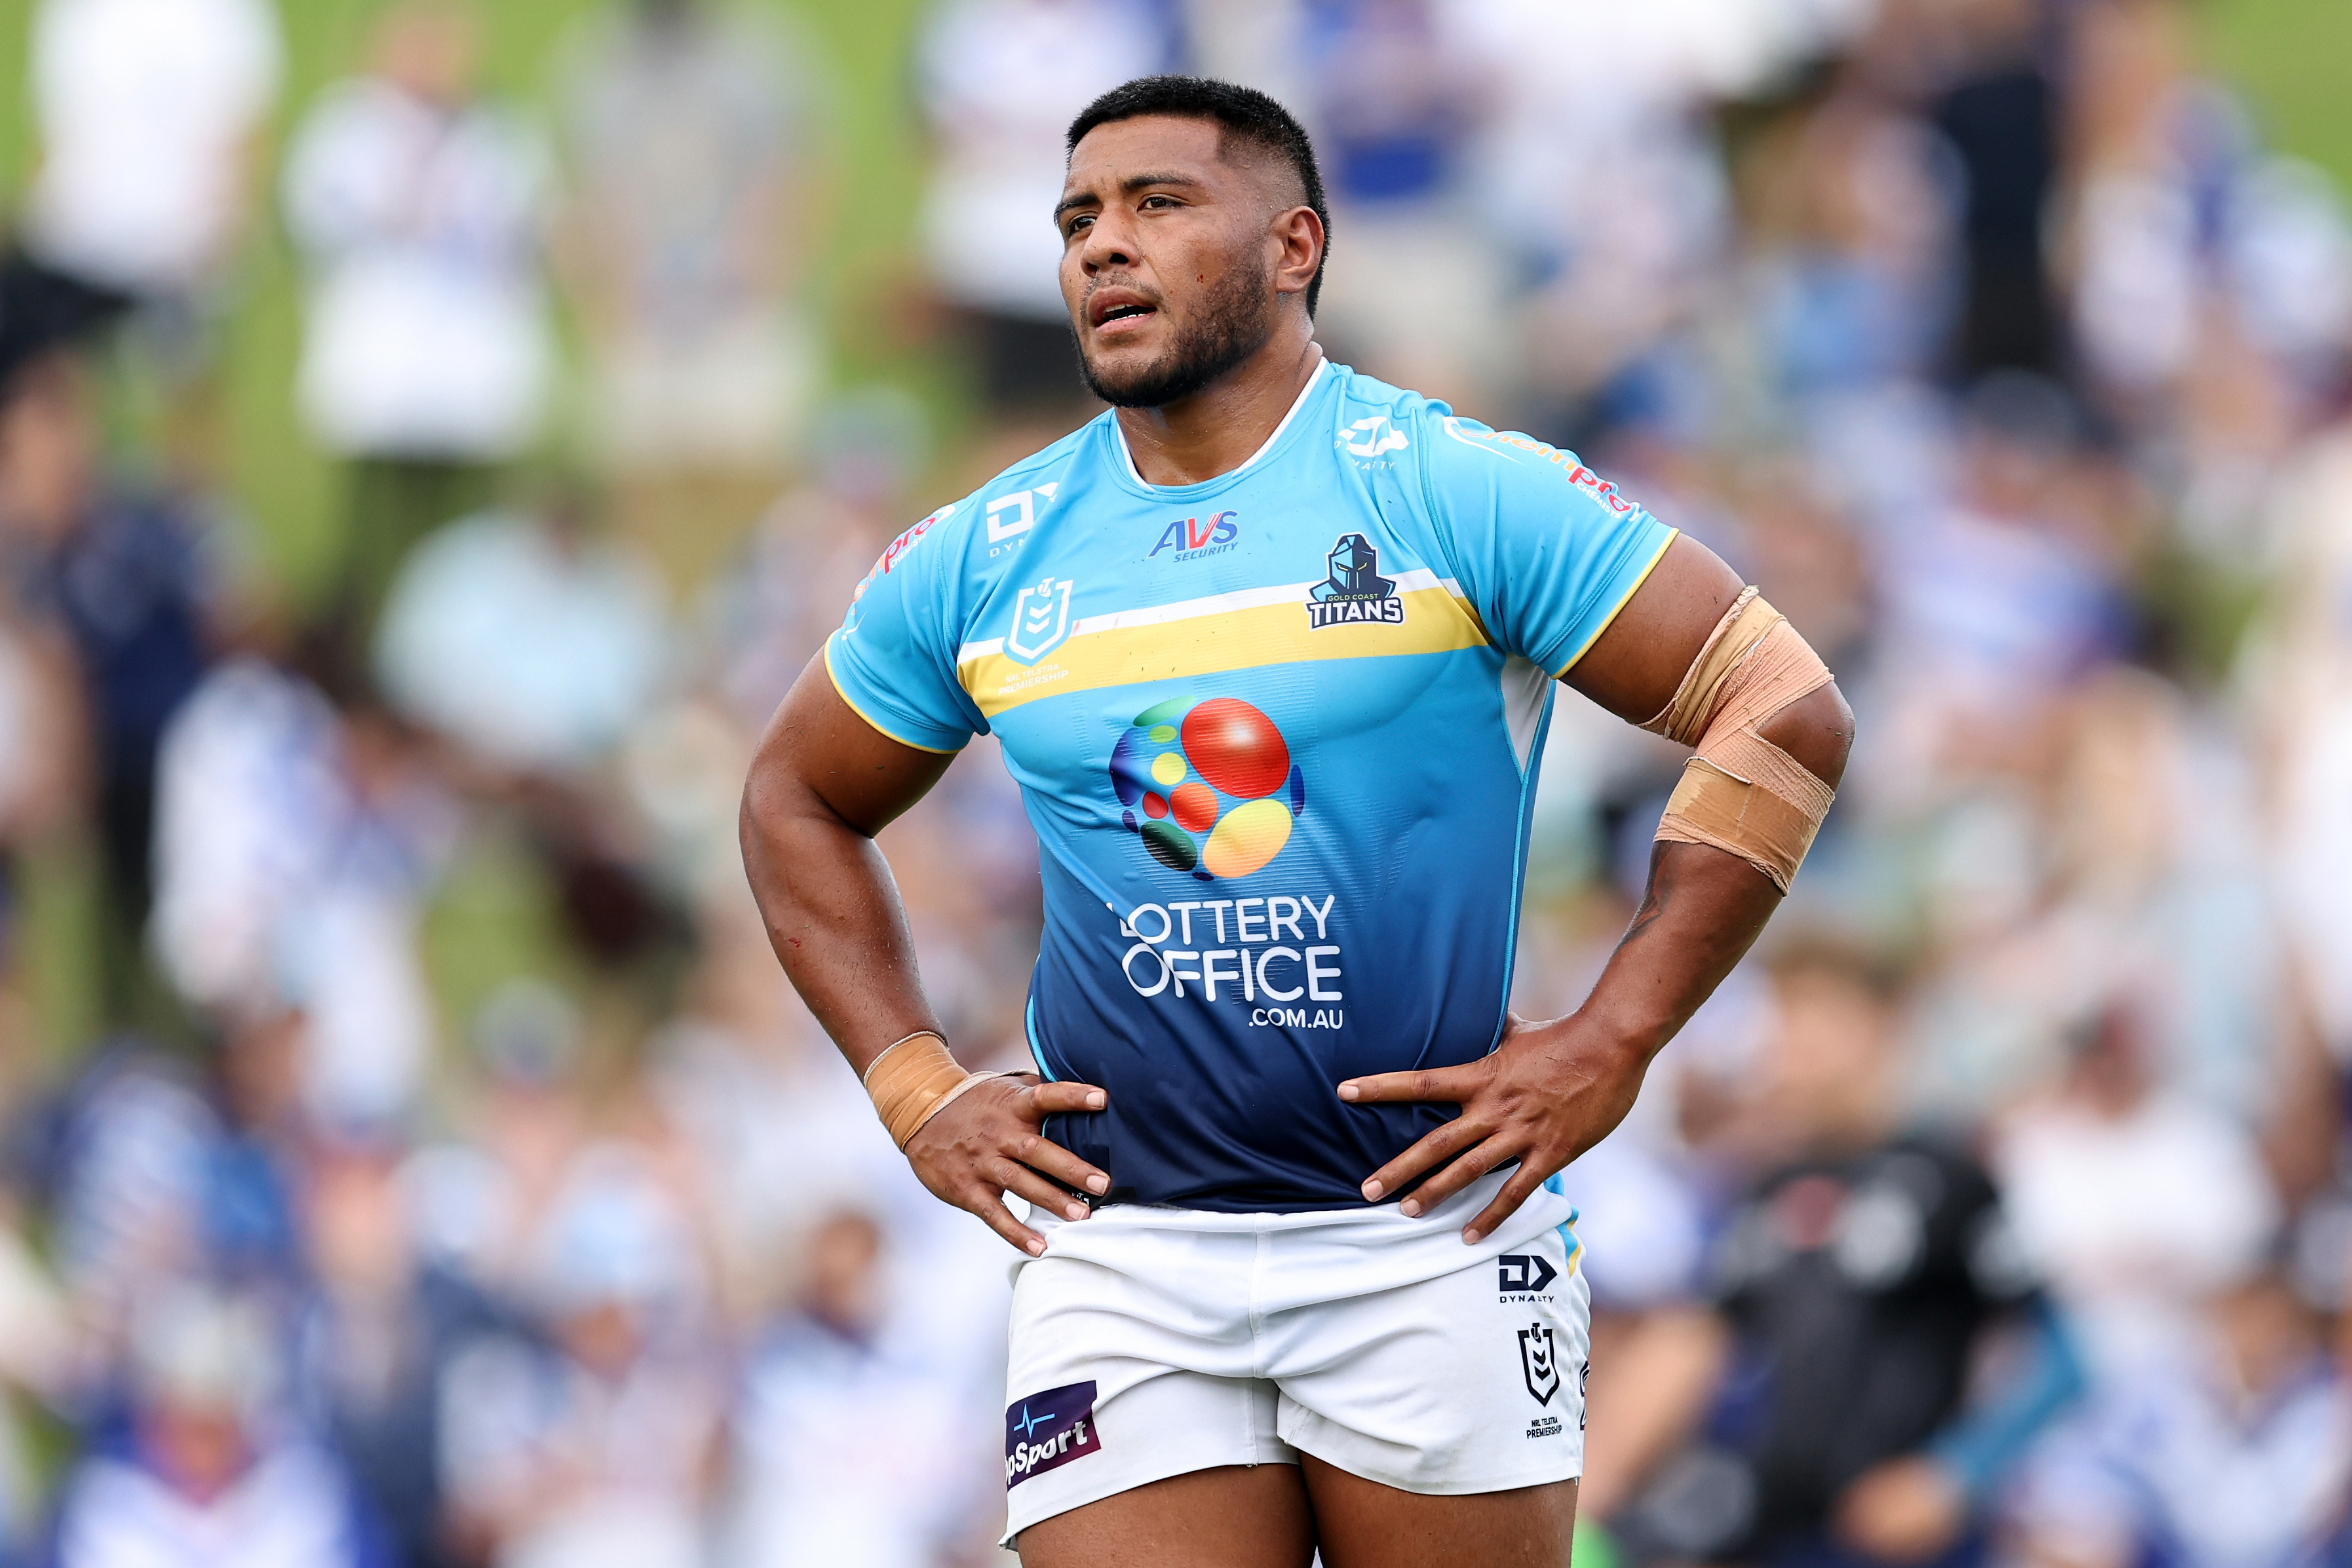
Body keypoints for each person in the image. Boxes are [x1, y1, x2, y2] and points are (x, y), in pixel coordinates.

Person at [739, 77, 1853, 1566]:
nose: (1100, 248)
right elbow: (793, 795)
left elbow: (1778, 705)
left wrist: (1615, 1038)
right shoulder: (989, 551)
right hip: (1123, 1250)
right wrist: (912, 1083)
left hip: (1425, 1233)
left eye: (1157, 205)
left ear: (1294, 246)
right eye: (1076, 218)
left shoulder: (1449, 488)